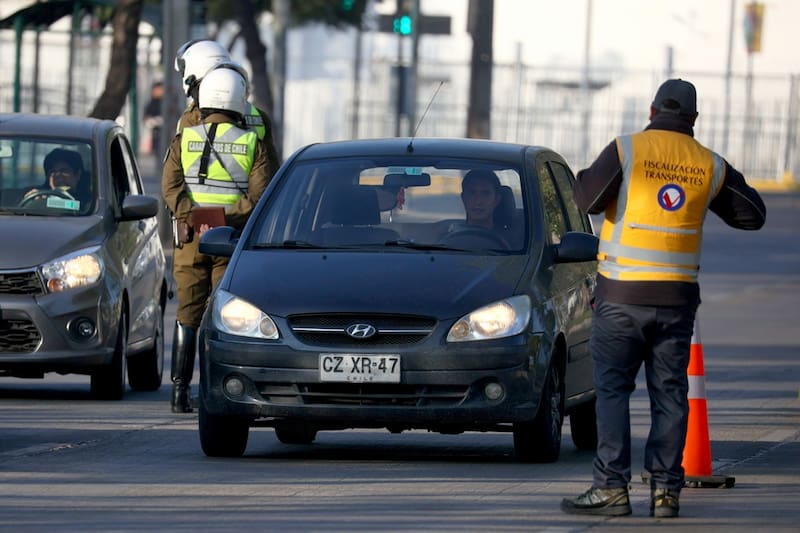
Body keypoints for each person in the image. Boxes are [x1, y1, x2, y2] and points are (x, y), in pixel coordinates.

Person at [560, 79, 766, 518]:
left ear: (652, 111)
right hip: (676, 301)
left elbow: (587, 199)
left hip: (621, 296)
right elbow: (753, 215)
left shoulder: (627, 150)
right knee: (670, 393)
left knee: (613, 391)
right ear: (693, 120)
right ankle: (666, 492)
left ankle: (611, 488)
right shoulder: (708, 163)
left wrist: (588, 178)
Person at [161, 67, 271, 413]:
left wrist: (190, 216)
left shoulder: (185, 138)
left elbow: (170, 186)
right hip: (229, 241)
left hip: (190, 238)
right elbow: (260, 197)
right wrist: (221, 218)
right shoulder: (252, 142)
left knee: (187, 314)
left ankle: (179, 393)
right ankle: (215, 391)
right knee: (223, 316)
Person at [173, 39, 281, 178]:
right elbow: (271, 172)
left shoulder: (192, 117)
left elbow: (175, 175)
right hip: (253, 198)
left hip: (199, 198)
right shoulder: (259, 116)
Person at [23, 148, 90, 208]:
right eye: (53, 172)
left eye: (64, 171)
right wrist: (33, 199)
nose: (58, 177)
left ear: (77, 175)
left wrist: (48, 202)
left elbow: (77, 207)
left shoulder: (90, 202)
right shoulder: (39, 194)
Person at [143, 81, 164, 156]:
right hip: (155, 132)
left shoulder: (165, 103)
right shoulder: (152, 103)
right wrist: (153, 121)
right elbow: (146, 117)